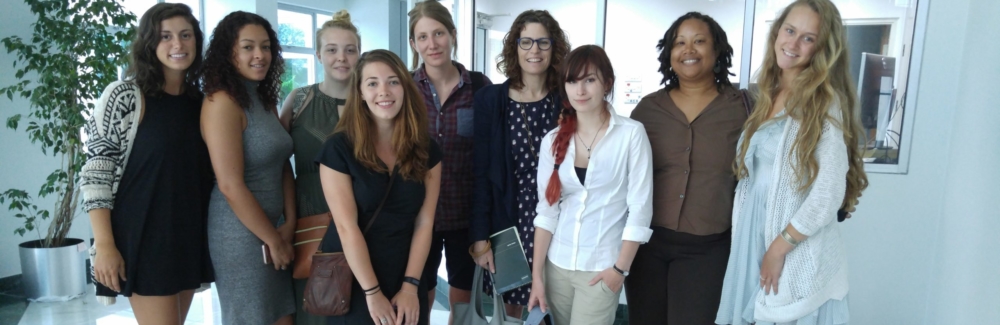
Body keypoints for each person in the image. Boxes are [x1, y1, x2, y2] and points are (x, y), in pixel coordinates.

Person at [715, 0, 868, 324]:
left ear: (822, 48)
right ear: (777, 31)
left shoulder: (823, 102)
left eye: (808, 38)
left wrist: (778, 248)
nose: (794, 43)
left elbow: (827, 193)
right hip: (752, 239)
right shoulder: (768, 93)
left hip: (790, 249)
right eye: (790, 30)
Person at [81, 3, 213, 324]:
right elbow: (96, 174)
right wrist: (105, 245)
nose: (177, 45)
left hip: (188, 233)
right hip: (144, 237)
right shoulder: (124, 95)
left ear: (196, 40)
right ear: (149, 43)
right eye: (165, 36)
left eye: (185, 35)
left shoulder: (201, 102)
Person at [623, 12, 747, 324]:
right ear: (669, 54)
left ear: (717, 50)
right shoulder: (647, 110)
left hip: (708, 250)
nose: (688, 50)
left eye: (699, 41)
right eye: (679, 43)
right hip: (647, 246)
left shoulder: (743, 108)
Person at [525, 44, 654, 325]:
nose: (580, 90)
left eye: (589, 80)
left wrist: (620, 269)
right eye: (572, 81)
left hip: (601, 269)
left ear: (607, 83)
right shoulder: (553, 140)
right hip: (556, 265)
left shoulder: (630, 135)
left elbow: (640, 209)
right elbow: (547, 213)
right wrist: (537, 276)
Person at [316, 49, 441, 325]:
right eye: (372, 83)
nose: (384, 91)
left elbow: (425, 221)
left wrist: (410, 286)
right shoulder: (338, 149)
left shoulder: (426, 149)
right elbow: (346, 228)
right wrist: (372, 293)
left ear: (405, 89)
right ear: (360, 92)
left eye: (393, 81)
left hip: (408, 272)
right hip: (355, 276)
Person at [470, 9, 570, 318]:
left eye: (543, 42)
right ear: (514, 47)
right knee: (511, 310)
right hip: (508, 219)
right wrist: (479, 237)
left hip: (559, 219)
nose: (534, 50)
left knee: (553, 304)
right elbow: (482, 172)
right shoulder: (490, 99)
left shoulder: (567, 98)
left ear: (555, 48)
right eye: (526, 42)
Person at [199, 11, 295, 325]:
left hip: (276, 228)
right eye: (248, 47)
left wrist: (290, 222)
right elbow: (230, 185)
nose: (260, 55)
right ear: (229, 52)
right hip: (241, 235)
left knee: (283, 317)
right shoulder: (221, 102)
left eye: (266, 47)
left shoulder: (264, 98)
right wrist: (273, 239)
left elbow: (282, 166)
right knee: (253, 318)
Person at [406, 2, 492, 323]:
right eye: (423, 37)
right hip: (416, 216)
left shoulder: (481, 88)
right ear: (414, 44)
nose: (432, 44)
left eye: (439, 33)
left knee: (463, 306)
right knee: (417, 299)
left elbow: (489, 155)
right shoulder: (403, 89)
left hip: (466, 216)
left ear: (453, 35)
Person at [277, 9, 360, 325]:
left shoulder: (371, 102)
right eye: (332, 49)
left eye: (349, 49)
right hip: (309, 213)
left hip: (362, 214)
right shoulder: (299, 100)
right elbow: (279, 161)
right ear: (318, 54)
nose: (341, 57)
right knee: (312, 304)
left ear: (358, 54)